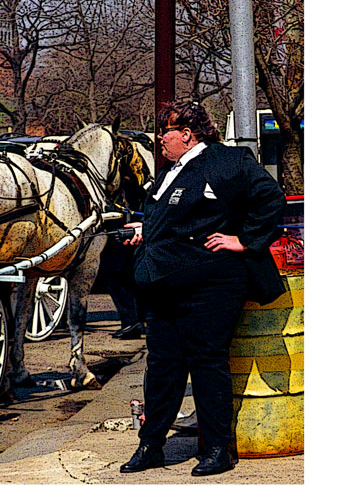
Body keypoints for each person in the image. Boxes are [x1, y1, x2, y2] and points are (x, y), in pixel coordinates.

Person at [118, 101, 285, 477]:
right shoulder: (168, 172)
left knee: (206, 362)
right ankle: (151, 445)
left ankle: (217, 449)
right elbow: (174, 219)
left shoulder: (229, 161)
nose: (161, 138)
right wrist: (146, 232)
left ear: (187, 134)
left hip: (211, 283)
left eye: (166, 131)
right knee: (162, 366)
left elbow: (270, 200)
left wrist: (243, 240)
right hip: (163, 284)